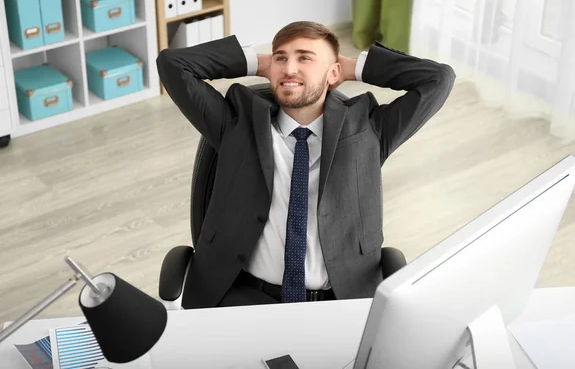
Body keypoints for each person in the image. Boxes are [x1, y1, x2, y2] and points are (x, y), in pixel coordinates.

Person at [156, 21, 455, 308]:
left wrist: (352, 68)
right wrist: (260, 63)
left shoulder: (369, 127)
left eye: (305, 58)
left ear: (333, 72)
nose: (289, 68)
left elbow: (438, 79)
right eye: (281, 58)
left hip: (340, 301)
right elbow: (173, 64)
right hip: (239, 295)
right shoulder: (235, 122)